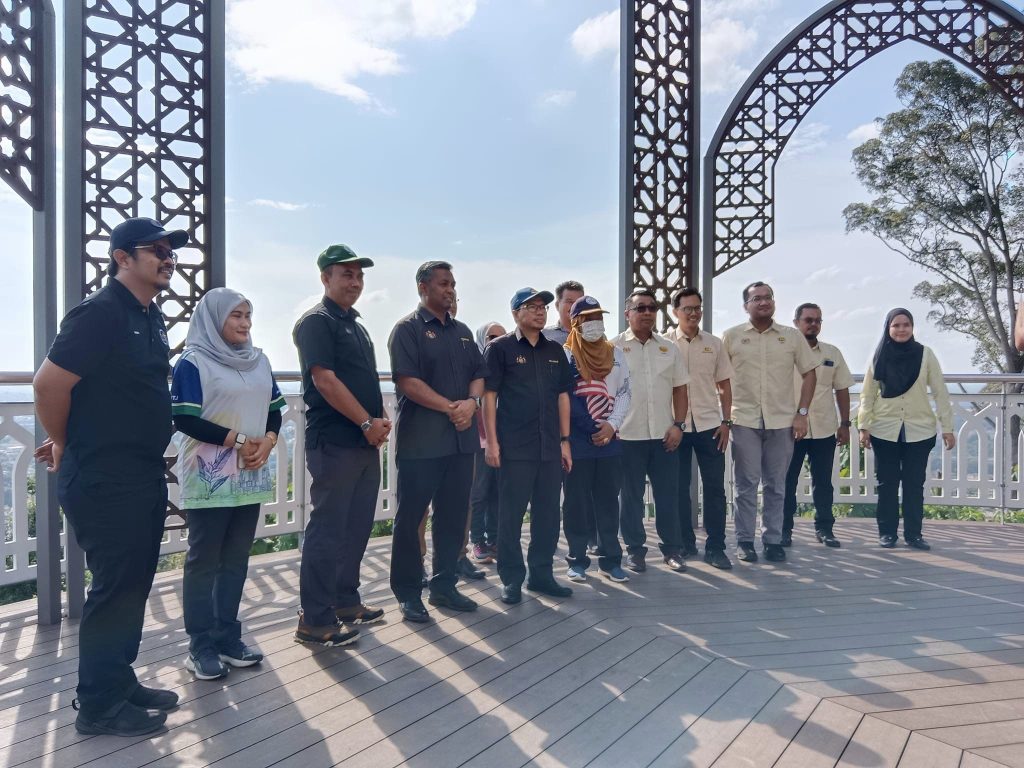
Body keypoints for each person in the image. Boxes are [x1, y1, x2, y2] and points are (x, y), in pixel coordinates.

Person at [33, 216, 188, 736]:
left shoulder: (151, 315)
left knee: (132, 584)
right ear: (123, 257)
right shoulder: (99, 314)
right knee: (114, 588)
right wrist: (64, 441)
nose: (168, 258)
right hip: (104, 475)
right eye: (157, 250)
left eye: (172, 251)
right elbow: (48, 384)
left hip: (140, 471)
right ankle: (98, 705)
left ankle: (118, 679)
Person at [170, 288, 284, 680]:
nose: (244, 323)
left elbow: (274, 412)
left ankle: (227, 636)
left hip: (252, 466)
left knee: (235, 555)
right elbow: (185, 419)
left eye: (248, 316)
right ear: (213, 318)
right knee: (205, 559)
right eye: (235, 315)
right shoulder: (194, 361)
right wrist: (237, 440)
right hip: (210, 471)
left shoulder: (259, 360)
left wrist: (267, 443)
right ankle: (199, 644)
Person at [292, 244, 389, 646]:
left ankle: (345, 600)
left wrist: (375, 425)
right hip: (335, 440)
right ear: (325, 278)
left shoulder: (356, 323)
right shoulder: (317, 321)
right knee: (329, 529)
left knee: (356, 525)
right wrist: (367, 421)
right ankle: (314, 619)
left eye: (359, 275)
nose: (354, 281)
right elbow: (325, 380)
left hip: (364, 441)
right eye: (345, 274)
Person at [388, 261, 487, 622]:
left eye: (453, 284)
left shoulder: (462, 331)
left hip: (462, 444)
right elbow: (407, 381)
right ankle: (409, 591)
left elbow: (479, 373)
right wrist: (451, 407)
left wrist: (471, 403)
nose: (450, 289)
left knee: (453, 516)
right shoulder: (407, 330)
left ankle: (445, 586)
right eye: (444, 283)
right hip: (422, 443)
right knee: (411, 517)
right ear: (423, 287)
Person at [484, 287, 574, 605]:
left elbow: (563, 396)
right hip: (514, 448)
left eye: (543, 306)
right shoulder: (500, 349)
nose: (540, 311)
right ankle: (511, 579)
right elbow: (489, 396)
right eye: (531, 306)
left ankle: (541, 575)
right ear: (515, 313)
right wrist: (492, 442)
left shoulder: (554, 350)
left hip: (550, 447)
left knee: (548, 515)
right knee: (510, 516)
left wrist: (565, 441)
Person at [722, 282, 818, 564]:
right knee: (746, 484)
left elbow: (810, 374)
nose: (763, 302)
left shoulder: (791, 337)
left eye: (768, 298)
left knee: (777, 484)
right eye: (756, 299)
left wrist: (802, 413)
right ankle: (744, 541)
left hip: (782, 420)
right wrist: (724, 416)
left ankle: (773, 540)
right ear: (746, 306)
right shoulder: (732, 336)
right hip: (744, 419)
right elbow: (720, 378)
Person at [859, 308, 955, 550]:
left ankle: (914, 535)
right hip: (884, 429)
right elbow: (867, 394)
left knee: (914, 485)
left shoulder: (925, 354)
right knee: (887, 484)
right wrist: (864, 426)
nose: (901, 329)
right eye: (896, 325)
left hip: (919, 430)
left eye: (906, 325)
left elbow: (940, 392)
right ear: (888, 328)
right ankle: (887, 533)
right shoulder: (878, 355)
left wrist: (947, 427)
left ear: (912, 328)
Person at [612, 289, 690, 574]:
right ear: (627, 314)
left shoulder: (669, 348)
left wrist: (679, 425)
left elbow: (680, 388)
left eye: (652, 308)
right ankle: (635, 551)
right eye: (640, 308)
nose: (647, 313)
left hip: (663, 435)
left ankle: (672, 550)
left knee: (668, 496)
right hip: (627, 435)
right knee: (629, 498)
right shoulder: (613, 348)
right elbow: (607, 393)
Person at [562, 296, 632, 583]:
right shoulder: (566, 354)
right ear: (576, 322)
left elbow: (626, 391)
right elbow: (565, 395)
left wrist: (611, 425)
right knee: (576, 503)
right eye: (588, 319)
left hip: (610, 441)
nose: (594, 324)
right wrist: (591, 425)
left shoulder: (615, 353)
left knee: (607, 501)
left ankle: (610, 560)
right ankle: (577, 560)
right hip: (579, 440)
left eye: (598, 318)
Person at [665, 287, 735, 570]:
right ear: (675, 312)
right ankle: (684, 542)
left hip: (709, 425)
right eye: (687, 309)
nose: (693, 313)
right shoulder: (665, 343)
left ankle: (716, 547)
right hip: (676, 426)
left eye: (697, 308)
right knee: (678, 488)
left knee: (715, 489)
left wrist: (726, 421)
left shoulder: (714, 343)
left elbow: (725, 384)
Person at [782, 303, 854, 549]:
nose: (813, 324)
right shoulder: (785, 352)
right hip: (790, 428)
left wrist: (845, 423)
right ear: (796, 322)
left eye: (817, 321)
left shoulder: (831, 353)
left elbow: (842, 388)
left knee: (823, 482)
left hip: (824, 427)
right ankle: (783, 530)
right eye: (808, 320)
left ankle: (824, 529)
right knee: (786, 481)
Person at [469, 322, 506, 565]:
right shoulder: (474, 366)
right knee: (480, 492)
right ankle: (477, 540)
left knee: (497, 493)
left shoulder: (507, 365)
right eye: (491, 336)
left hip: (504, 440)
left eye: (501, 337)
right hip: (480, 441)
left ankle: (494, 539)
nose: (495, 341)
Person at [544, 280, 585, 346]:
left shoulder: (595, 335)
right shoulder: (544, 336)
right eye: (570, 302)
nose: (575, 306)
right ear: (557, 305)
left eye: (579, 302)